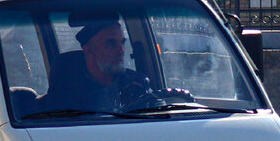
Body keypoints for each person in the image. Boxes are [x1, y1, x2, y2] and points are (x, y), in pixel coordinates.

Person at [42, 13, 188, 113]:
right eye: (111, 44)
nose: (121, 50)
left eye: (122, 43)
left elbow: (157, 117)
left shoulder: (136, 84)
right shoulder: (66, 91)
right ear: (88, 50)